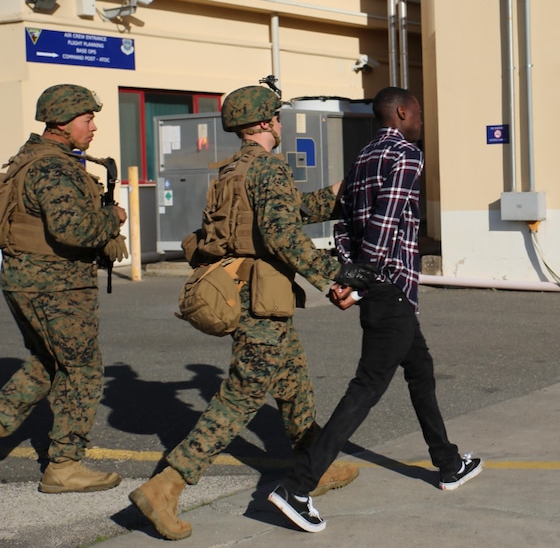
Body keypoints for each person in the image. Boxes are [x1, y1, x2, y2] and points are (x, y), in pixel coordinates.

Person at [129, 85, 358, 540]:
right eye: (278, 115)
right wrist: (333, 279)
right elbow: (281, 236)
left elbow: (278, 217)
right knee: (240, 399)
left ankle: (313, 465)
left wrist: (337, 194)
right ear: (268, 121)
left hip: (248, 295)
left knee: (293, 383)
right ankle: (166, 485)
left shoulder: (234, 169)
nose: (281, 121)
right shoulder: (269, 168)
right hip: (259, 300)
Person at [268, 86, 481, 533]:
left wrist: (352, 274)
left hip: (379, 287)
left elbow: (343, 221)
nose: (421, 120)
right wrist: (363, 277)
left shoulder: (362, 157)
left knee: (420, 370)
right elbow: (384, 220)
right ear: (401, 112)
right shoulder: (406, 155)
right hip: (391, 287)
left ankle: (446, 462)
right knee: (366, 387)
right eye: (418, 112)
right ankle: (298, 486)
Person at [0, 84, 128, 493]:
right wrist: (114, 218)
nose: (93, 127)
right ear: (61, 122)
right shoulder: (53, 168)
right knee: (82, 370)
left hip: (31, 280)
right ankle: (64, 465)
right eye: (86, 119)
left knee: (45, 363)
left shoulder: (30, 158)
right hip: (53, 285)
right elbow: (71, 231)